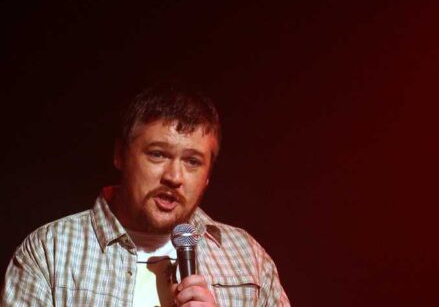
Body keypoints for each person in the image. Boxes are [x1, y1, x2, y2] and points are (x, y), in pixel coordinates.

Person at [2, 82, 290, 306]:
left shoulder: (247, 258)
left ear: (208, 175)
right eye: (157, 154)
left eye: (192, 161)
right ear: (120, 155)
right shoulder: (51, 251)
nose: (174, 177)